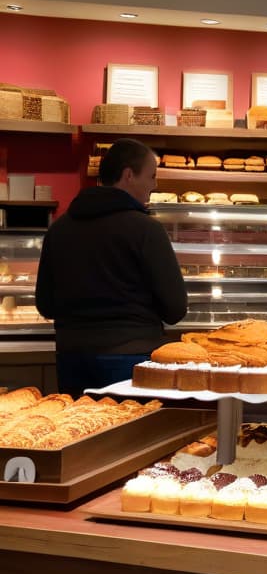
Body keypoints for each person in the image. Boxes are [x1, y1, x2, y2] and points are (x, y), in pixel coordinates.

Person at [36, 138, 188, 393]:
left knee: (83, 431)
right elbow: (175, 308)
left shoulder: (59, 229)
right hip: (131, 359)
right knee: (131, 432)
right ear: (128, 175)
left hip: (72, 358)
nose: (155, 184)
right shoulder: (146, 229)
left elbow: (45, 304)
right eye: (151, 176)